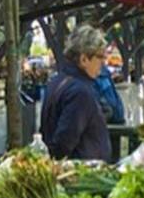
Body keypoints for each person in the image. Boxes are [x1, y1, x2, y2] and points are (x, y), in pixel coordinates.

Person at [40, 25, 112, 161]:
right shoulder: (80, 92)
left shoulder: (57, 81)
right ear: (84, 59)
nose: (103, 63)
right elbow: (64, 142)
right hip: (80, 169)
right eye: (100, 57)